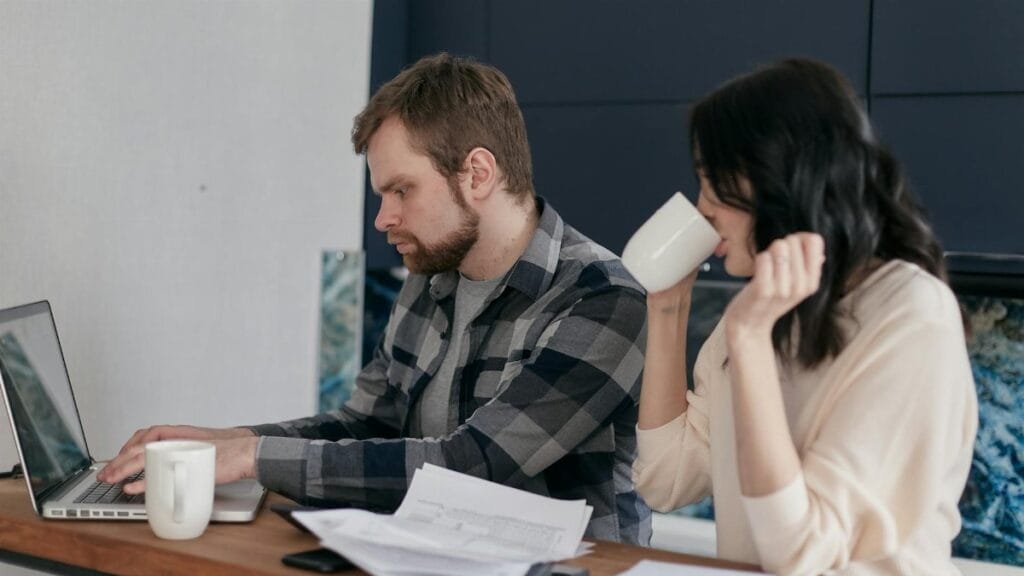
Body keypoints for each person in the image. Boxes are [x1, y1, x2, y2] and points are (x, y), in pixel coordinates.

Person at [98, 53, 652, 544]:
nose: (383, 219)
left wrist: (250, 458)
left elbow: (472, 465)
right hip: (439, 554)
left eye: (401, 191)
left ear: (477, 174)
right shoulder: (429, 276)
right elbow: (368, 425)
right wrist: (231, 440)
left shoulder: (600, 297)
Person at [632, 58, 977, 573]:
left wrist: (751, 339)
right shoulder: (758, 312)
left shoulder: (912, 317)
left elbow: (802, 556)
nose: (702, 208)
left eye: (714, 182)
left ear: (779, 178)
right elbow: (665, 477)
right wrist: (666, 306)